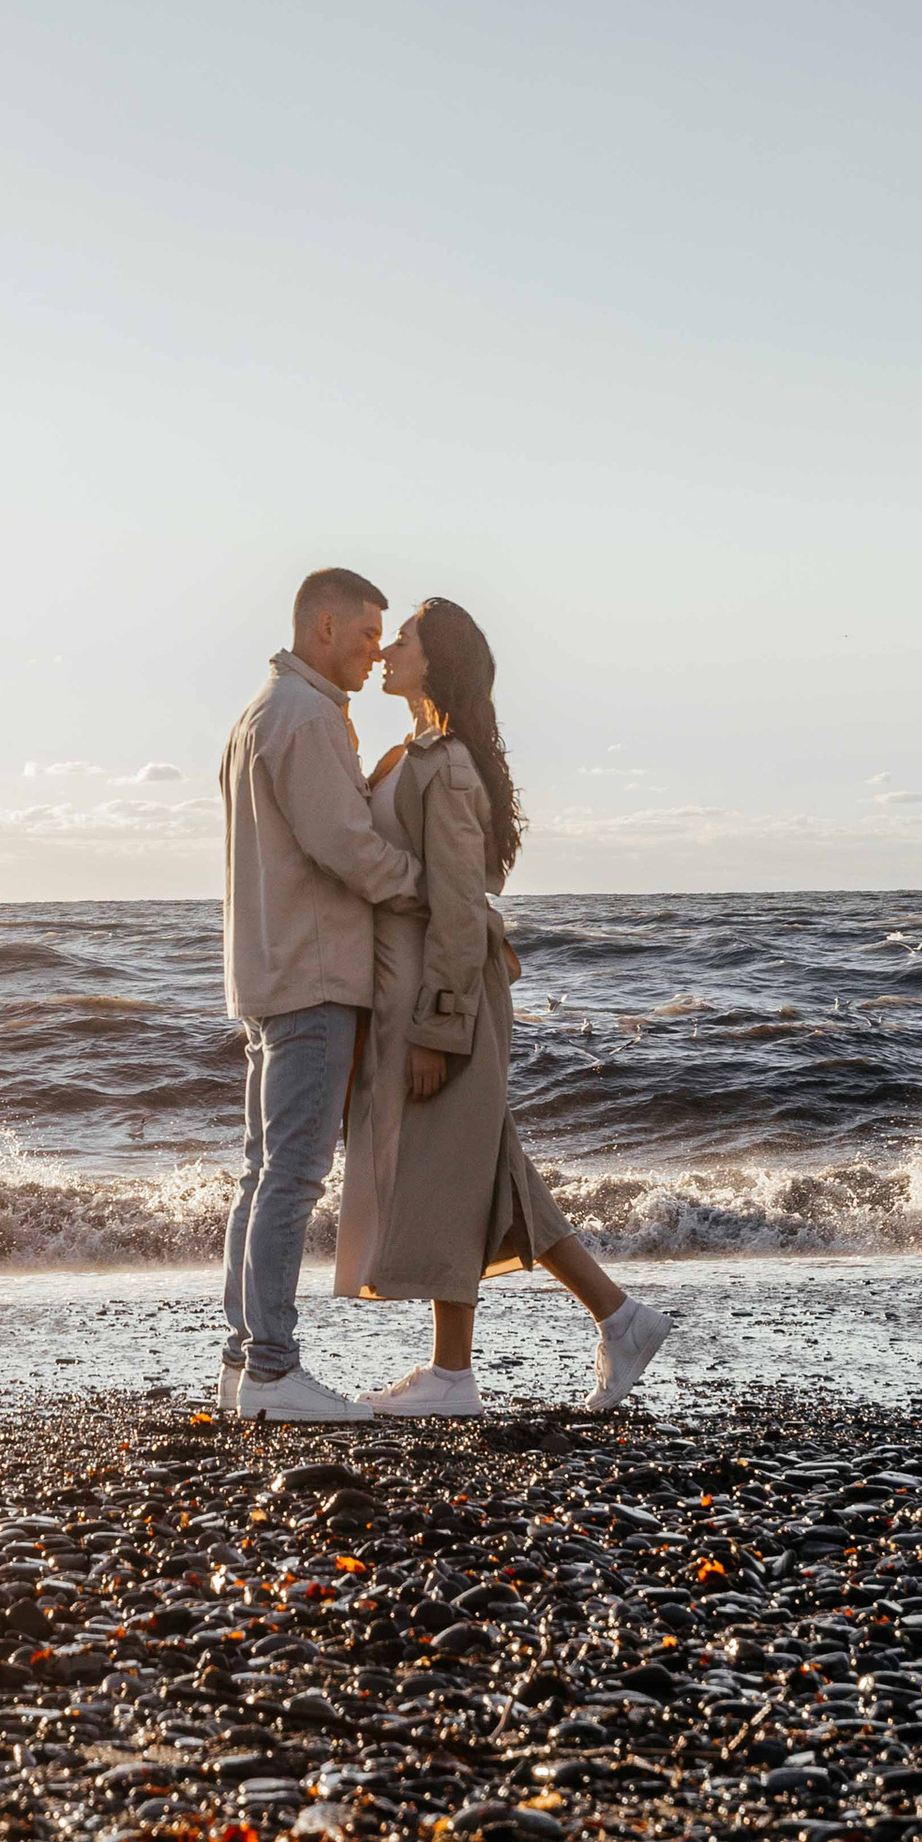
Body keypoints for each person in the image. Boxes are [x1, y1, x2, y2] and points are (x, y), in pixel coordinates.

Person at [334, 593, 671, 1416]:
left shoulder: (446, 767)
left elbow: (457, 909)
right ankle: (622, 1319)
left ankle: (452, 1376)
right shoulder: (411, 755)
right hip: (418, 991)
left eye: (402, 640)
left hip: (444, 998)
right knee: (492, 1173)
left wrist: (436, 1031)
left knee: (456, 1171)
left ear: (434, 660)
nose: (386, 652)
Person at [216, 567, 425, 1423]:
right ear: (326, 627)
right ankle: (272, 1371)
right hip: (310, 973)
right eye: (369, 633)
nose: (377, 650)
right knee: (292, 1177)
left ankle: (245, 1364)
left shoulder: (265, 712)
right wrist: (431, 890)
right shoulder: (303, 718)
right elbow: (346, 845)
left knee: (264, 1174)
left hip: (271, 971)